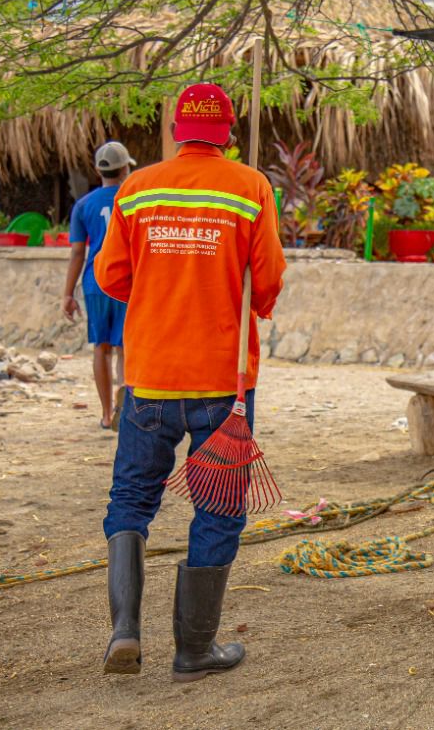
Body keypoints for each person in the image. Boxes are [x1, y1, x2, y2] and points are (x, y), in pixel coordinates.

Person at [94, 82, 286, 681]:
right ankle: (193, 651)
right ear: (227, 132)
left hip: (149, 377)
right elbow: (270, 281)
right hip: (222, 386)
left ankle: (126, 630)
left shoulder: (136, 187)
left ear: (177, 130)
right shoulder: (250, 188)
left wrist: (161, 290)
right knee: (219, 510)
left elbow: (111, 277)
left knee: (130, 499)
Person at [63, 141, 134, 430]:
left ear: (97, 170)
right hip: (129, 281)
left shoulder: (83, 205)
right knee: (125, 346)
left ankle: (106, 414)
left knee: (100, 347)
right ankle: (126, 404)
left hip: (95, 281)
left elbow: (77, 252)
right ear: (126, 168)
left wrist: (67, 293)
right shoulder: (133, 198)